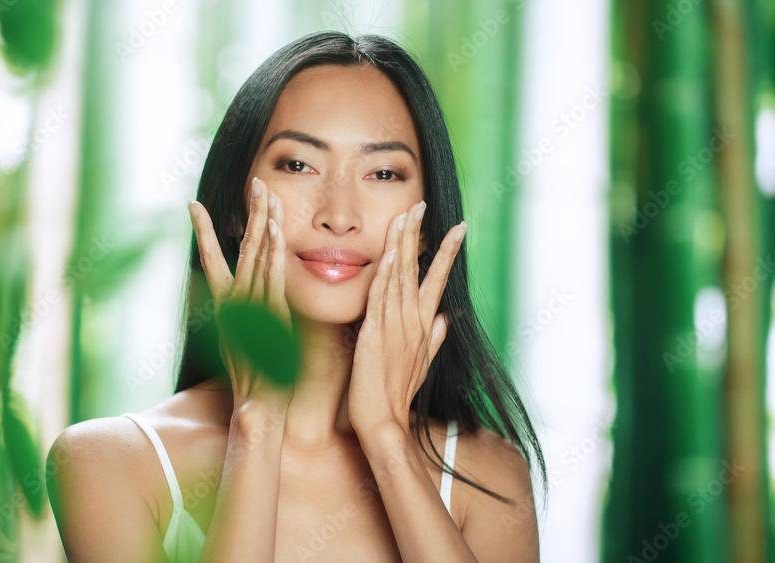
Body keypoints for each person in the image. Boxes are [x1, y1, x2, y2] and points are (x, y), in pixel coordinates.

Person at [47, 31, 546, 562]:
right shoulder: (109, 463)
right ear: (237, 205)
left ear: (424, 226)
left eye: (382, 173)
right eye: (298, 164)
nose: (338, 214)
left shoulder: (488, 474)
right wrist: (256, 427)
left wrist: (387, 439)